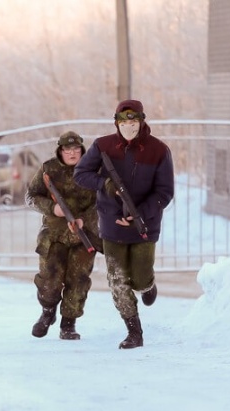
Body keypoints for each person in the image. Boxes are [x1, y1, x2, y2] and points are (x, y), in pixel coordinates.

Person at [74, 99, 174, 349]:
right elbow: (81, 174)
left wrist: (141, 212)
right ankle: (134, 331)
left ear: (142, 121)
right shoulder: (103, 146)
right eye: (124, 121)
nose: (129, 126)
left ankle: (147, 285)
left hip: (144, 225)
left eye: (134, 121)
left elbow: (165, 191)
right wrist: (104, 185)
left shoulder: (159, 150)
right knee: (117, 280)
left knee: (138, 279)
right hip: (111, 224)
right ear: (116, 123)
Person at [25, 131, 101, 340]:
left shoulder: (92, 170)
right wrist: (53, 208)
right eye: (68, 149)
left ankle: (69, 323)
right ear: (60, 150)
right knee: (50, 279)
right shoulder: (48, 169)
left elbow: (101, 201)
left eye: (76, 149)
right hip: (54, 234)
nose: (72, 153)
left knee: (78, 280)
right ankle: (47, 313)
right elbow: (31, 197)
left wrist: (84, 219)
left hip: (84, 234)